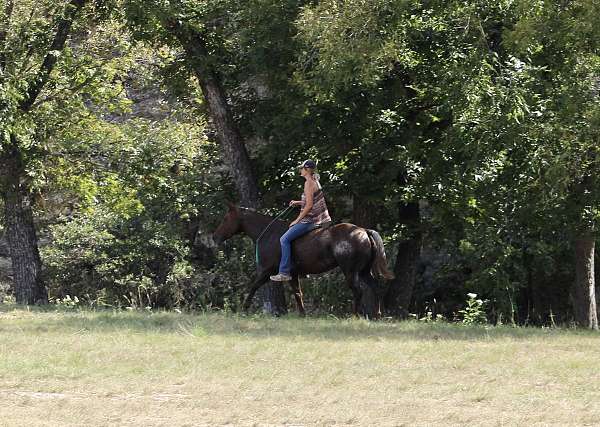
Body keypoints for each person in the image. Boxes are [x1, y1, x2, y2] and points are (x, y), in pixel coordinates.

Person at [270, 159, 332, 282]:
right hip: (318, 218)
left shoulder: (308, 183)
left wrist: (297, 220)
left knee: (284, 239)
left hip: (311, 220)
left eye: (302, 168)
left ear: (307, 170)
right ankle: (300, 268)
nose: (300, 170)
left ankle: (284, 272)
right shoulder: (315, 180)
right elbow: (311, 200)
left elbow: (309, 206)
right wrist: (298, 202)